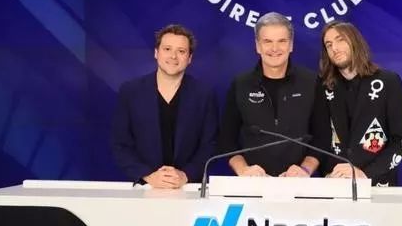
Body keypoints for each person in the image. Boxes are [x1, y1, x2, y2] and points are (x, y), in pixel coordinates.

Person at [111, 24, 218, 188]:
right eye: (167, 49)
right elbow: (120, 144)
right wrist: (148, 175)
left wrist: (185, 175)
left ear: (189, 58)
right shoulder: (131, 91)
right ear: (156, 53)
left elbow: (210, 145)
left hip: (188, 188)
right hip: (144, 187)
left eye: (181, 51)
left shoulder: (204, 94)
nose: (173, 56)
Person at [218, 12, 320, 177]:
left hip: (299, 183)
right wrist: (244, 170)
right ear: (257, 46)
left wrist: (305, 170)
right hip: (252, 183)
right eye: (267, 41)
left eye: (282, 41)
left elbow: (321, 139)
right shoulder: (241, 84)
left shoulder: (311, 82)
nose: (274, 48)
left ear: (291, 45)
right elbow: (227, 141)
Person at [314, 21, 402, 186]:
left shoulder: (388, 82)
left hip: (378, 186)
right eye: (328, 44)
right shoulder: (323, 87)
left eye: (340, 40)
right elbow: (319, 139)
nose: (335, 48)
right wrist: (329, 173)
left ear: (355, 41)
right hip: (335, 185)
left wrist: (365, 174)